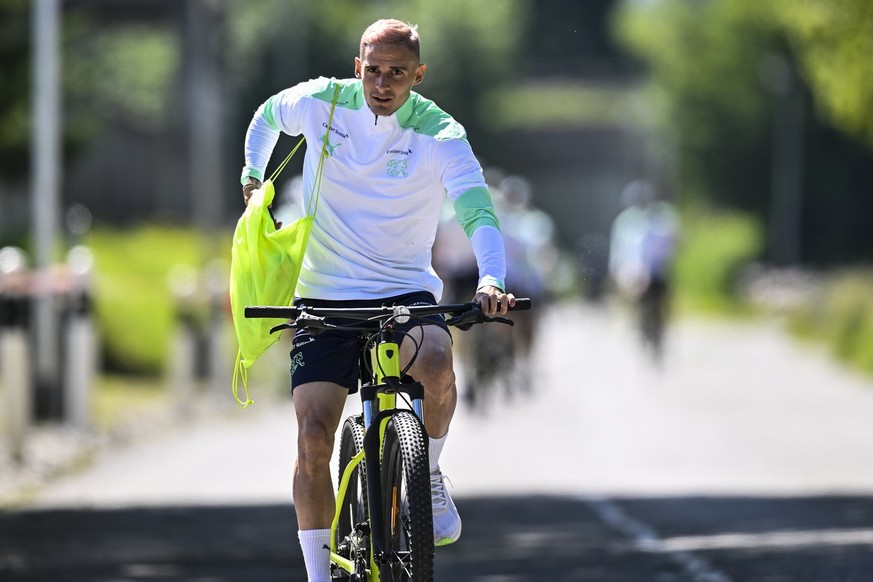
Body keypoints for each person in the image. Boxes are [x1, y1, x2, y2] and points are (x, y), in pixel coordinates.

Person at [239, 19, 516, 582]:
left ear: (419, 74)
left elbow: (477, 212)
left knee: (437, 364)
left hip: (405, 290)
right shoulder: (322, 102)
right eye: (372, 70)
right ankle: (319, 574)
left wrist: (490, 280)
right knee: (313, 435)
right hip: (324, 294)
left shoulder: (441, 134)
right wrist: (252, 177)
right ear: (357, 65)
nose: (382, 84)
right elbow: (266, 116)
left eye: (396, 73)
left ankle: (429, 475)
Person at [608, 179, 680, 363]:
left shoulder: (661, 218)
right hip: (633, 273)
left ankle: (661, 329)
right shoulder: (625, 221)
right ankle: (639, 325)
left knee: (662, 299)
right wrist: (616, 270)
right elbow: (618, 249)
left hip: (656, 271)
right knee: (636, 300)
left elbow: (672, 244)